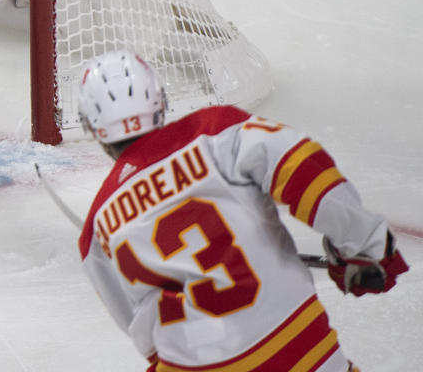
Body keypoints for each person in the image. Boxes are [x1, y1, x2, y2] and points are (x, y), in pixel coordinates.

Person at [75, 49, 409, 372]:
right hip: (296, 349)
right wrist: (366, 247)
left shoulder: (96, 226)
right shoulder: (217, 131)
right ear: (160, 102)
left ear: (92, 126)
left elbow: (143, 335)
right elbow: (307, 174)